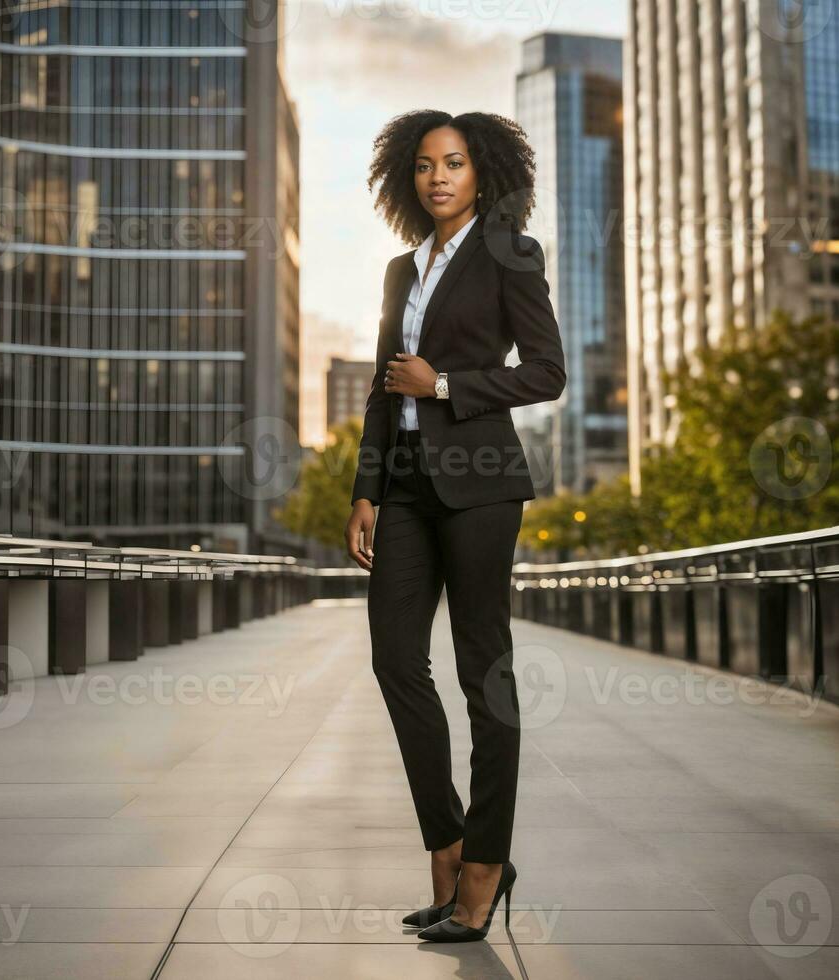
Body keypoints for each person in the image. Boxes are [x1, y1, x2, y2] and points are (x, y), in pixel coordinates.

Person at [344, 110, 567, 942]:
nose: (439, 177)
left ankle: (482, 871)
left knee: (485, 675)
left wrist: (444, 387)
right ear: (409, 177)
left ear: (483, 173)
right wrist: (366, 488)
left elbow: (546, 372)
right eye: (427, 166)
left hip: (480, 489)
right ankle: (447, 842)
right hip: (402, 490)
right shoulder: (402, 269)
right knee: (396, 661)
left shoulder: (511, 252)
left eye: (457, 163)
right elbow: (380, 383)